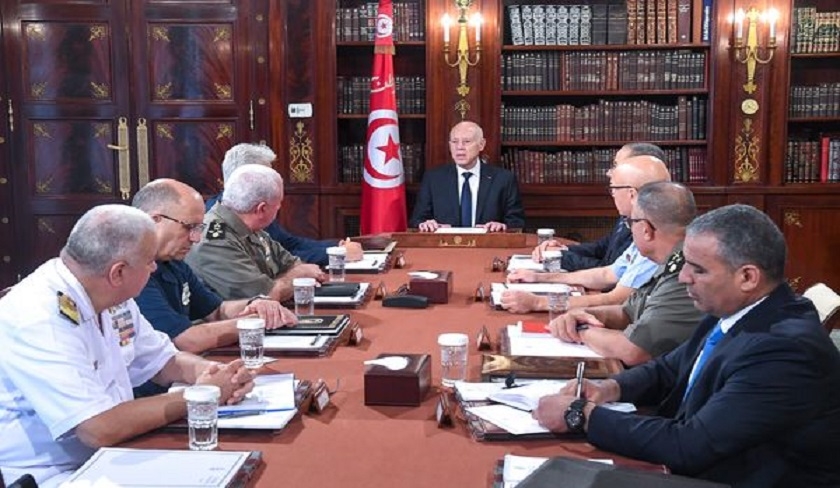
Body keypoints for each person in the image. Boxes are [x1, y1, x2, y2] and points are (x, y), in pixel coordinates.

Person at [532, 204, 840, 487]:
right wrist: (609, 388)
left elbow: (689, 445)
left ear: (747, 277)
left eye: (698, 269)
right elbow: (668, 369)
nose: (683, 277)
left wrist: (582, 415)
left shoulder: (784, 351)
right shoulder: (737, 308)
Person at [0, 205, 254, 487]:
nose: (154, 268)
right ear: (118, 273)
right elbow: (97, 428)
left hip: (114, 454)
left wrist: (216, 373)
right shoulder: (39, 317)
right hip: (52, 474)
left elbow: (164, 361)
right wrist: (202, 395)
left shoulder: (111, 297)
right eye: (149, 261)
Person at [132, 179, 297, 352]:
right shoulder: (132, 270)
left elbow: (216, 310)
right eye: (189, 227)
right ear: (154, 220)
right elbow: (183, 340)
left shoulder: (173, 262)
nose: (196, 238)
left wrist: (257, 303)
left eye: (198, 228)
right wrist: (257, 322)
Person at [547, 182, 702, 366]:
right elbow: (628, 312)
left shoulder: (686, 272)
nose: (630, 229)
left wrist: (580, 330)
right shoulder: (668, 260)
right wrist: (583, 314)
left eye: (631, 223)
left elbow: (634, 350)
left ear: (646, 230)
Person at [500, 155, 669, 314]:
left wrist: (538, 303)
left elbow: (616, 299)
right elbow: (607, 274)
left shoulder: (654, 238)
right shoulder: (646, 226)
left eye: (613, 189)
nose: (612, 195)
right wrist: (539, 277)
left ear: (631, 194)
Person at [185, 164, 326, 301]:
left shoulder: (250, 227)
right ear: (261, 209)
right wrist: (298, 276)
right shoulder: (214, 240)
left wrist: (294, 276)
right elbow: (263, 296)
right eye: (278, 205)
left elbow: (291, 263)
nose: (278, 209)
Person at [208, 143, 363, 266]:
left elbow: (287, 245)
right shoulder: (217, 225)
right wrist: (336, 254)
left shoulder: (250, 210)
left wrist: (336, 246)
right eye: (266, 177)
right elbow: (270, 263)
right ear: (246, 178)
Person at [532, 142, 667, 271]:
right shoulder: (628, 213)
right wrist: (563, 250)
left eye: (616, 166)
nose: (609, 172)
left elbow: (612, 271)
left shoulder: (651, 221)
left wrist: (560, 258)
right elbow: (602, 248)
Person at [410, 121, 525, 232]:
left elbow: (517, 222)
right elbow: (417, 220)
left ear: (481, 145)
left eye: (466, 141)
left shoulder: (503, 179)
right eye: (454, 142)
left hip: (487, 244)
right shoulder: (434, 179)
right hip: (445, 244)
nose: (459, 147)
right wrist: (426, 224)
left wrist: (502, 227)